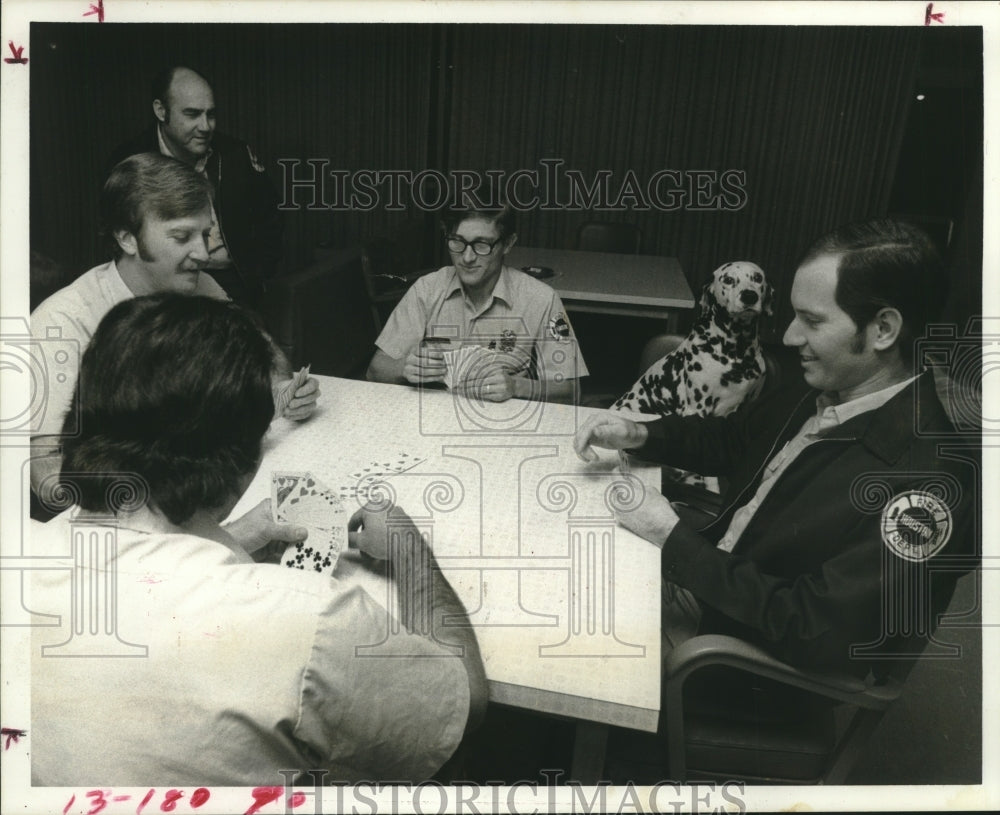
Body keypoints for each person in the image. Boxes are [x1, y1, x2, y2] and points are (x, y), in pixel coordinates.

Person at [30, 293, 487, 785]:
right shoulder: (308, 616)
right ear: (243, 463)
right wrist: (410, 553)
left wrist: (226, 538)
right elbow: (462, 706)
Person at [574, 218, 977, 678]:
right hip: (712, 589)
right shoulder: (832, 385)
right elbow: (734, 438)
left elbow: (818, 633)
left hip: (735, 659)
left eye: (812, 320)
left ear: (883, 329)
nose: (788, 337)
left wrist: (674, 542)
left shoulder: (930, 483)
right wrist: (642, 432)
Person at [30, 153, 318, 503]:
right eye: (182, 237)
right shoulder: (63, 321)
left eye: (206, 234)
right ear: (127, 239)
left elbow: (268, 358)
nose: (205, 253)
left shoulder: (200, 285)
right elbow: (42, 471)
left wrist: (281, 389)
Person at [366, 204, 588, 403]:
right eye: (457, 242)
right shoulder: (427, 289)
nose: (467, 257)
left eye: (482, 244)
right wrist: (405, 368)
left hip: (501, 424)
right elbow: (375, 370)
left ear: (508, 244)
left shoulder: (541, 298)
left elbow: (571, 391)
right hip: (432, 416)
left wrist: (516, 386)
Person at [108, 65, 283, 307]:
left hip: (234, 281)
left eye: (210, 114)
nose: (205, 127)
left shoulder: (235, 154)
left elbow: (271, 218)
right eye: (192, 114)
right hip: (161, 285)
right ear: (161, 111)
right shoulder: (130, 161)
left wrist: (258, 275)